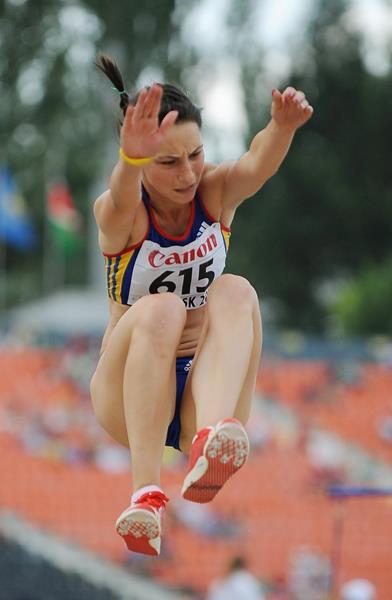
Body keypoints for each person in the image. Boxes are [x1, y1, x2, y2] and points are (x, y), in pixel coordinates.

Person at [90, 54, 313, 556]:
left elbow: (254, 165)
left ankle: (212, 437)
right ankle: (146, 496)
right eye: (168, 162)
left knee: (237, 290)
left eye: (195, 154)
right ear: (140, 162)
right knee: (163, 308)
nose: (188, 174)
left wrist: (281, 128)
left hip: (198, 388)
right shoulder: (122, 215)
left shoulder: (213, 192)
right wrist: (129, 161)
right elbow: (120, 200)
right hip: (128, 391)